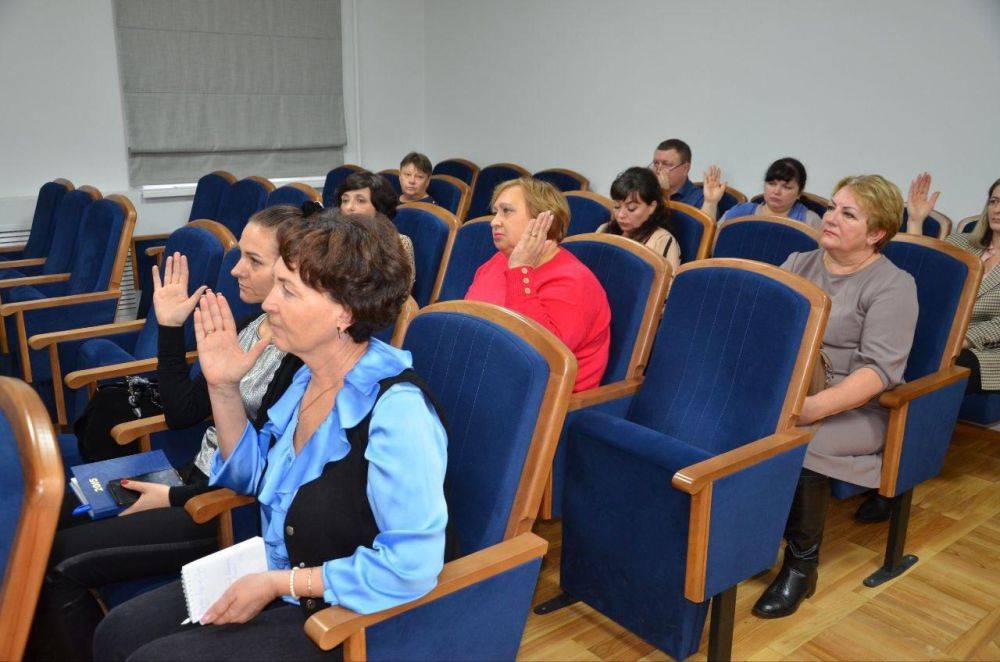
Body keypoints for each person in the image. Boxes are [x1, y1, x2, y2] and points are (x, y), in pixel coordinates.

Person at [93, 211, 450, 661]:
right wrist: (223, 388)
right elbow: (250, 478)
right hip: (282, 578)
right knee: (117, 633)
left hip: (346, 618)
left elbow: (412, 568)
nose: (267, 304)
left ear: (344, 311)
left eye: (287, 290)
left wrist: (280, 584)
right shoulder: (307, 378)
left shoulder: (397, 412)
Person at [28, 205, 309, 661]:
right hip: (187, 477)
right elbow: (181, 412)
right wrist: (171, 328)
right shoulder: (255, 324)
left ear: (293, 267)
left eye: (254, 261)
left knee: (57, 562)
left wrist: (175, 495)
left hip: (218, 505)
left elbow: (261, 475)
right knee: (46, 504)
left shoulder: (299, 356)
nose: (236, 269)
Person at [753, 175, 918, 619]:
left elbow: (878, 372)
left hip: (857, 408)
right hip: (791, 393)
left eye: (848, 214)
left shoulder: (893, 285)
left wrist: (806, 411)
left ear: (876, 232)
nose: (831, 217)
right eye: (832, 207)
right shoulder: (797, 261)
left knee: (801, 445)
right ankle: (744, 542)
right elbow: (767, 332)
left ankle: (801, 568)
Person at [465, 177, 611, 392]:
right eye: (496, 212)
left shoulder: (575, 281)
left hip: (545, 402)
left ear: (543, 220)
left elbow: (539, 355)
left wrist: (520, 270)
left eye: (506, 211)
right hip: (486, 376)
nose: (494, 221)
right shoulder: (497, 261)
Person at [909, 174, 1000, 394]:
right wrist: (915, 221)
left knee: (942, 362)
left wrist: (958, 339)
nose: (997, 209)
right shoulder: (960, 243)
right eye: (994, 201)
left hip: (985, 350)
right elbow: (919, 276)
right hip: (938, 334)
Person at [597, 166, 682, 272]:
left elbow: (666, 287)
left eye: (631, 208)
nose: (621, 215)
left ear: (652, 207)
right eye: (617, 206)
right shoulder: (603, 230)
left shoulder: (662, 241)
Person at [334, 170, 416, 276]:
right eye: (345, 200)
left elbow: (402, 290)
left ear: (379, 208)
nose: (349, 207)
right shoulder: (334, 239)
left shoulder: (401, 243)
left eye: (360, 200)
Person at [720, 157, 823, 228]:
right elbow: (710, 242)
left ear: (799, 193)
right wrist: (711, 202)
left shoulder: (809, 221)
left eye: (786, 187)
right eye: (772, 184)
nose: (776, 191)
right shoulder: (741, 212)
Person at [650, 137, 727, 220]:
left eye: (666, 164)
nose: (658, 169)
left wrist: (665, 193)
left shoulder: (699, 199)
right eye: (656, 163)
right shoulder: (649, 192)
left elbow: (701, 231)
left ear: (685, 168)